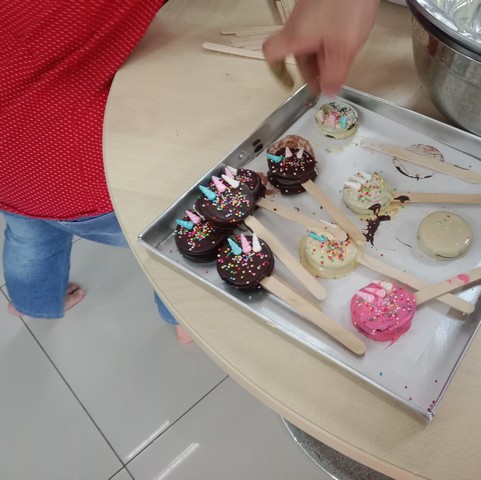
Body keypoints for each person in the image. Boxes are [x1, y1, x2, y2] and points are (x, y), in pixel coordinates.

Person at [0, 0, 379, 345]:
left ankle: (32, 302)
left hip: (9, 172)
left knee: (29, 235)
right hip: (85, 175)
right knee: (179, 242)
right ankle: (182, 315)